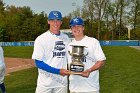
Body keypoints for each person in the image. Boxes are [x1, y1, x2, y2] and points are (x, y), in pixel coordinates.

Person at [32, 10, 71, 93]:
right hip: (45, 84)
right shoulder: (41, 39)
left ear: (61, 22)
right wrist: (58, 71)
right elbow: (38, 62)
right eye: (53, 20)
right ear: (48, 21)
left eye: (58, 20)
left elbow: (70, 58)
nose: (55, 23)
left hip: (61, 83)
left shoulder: (66, 38)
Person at [67, 17, 106, 93]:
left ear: (83, 28)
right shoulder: (69, 45)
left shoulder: (93, 41)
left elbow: (102, 61)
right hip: (74, 88)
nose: (76, 28)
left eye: (79, 26)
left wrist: (89, 70)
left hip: (90, 88)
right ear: (71, 29)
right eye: (74, 26)